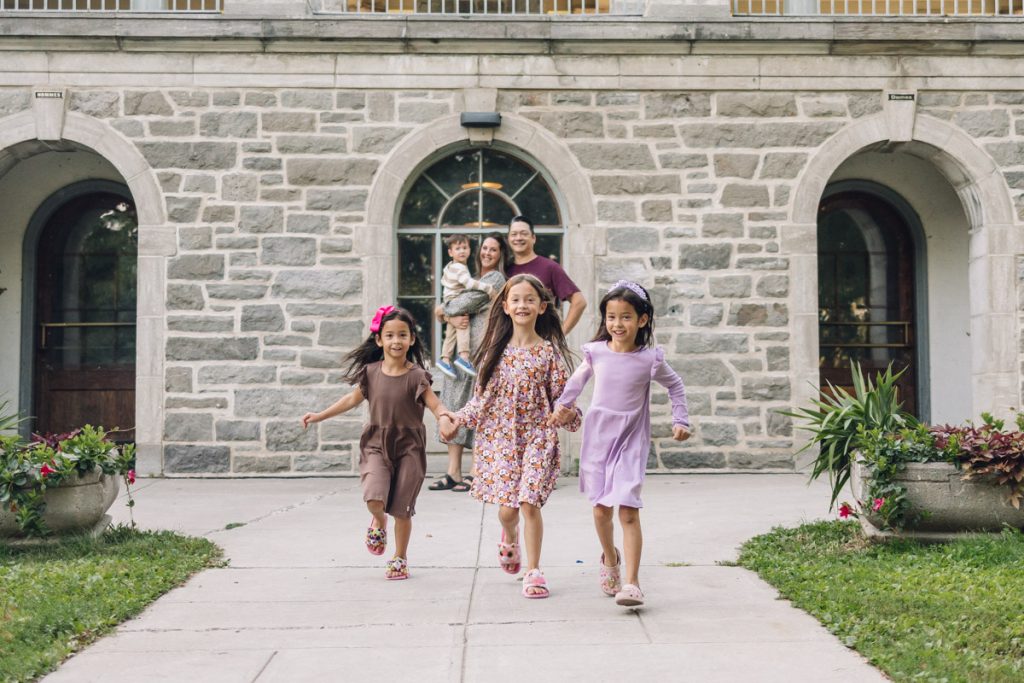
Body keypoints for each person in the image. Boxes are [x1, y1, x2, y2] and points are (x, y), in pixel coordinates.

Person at [549, 280, 691, 608]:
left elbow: (676, 386)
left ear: (642, 320)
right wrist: (563, 406)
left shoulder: (650, 359)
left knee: (628, 512)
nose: (617, 324)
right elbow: (577, 381)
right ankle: (610, 559)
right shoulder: (596, 352)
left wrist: (680, 420)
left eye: (626, 317)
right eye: (611, 317)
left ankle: (632, 582)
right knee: (600, 511)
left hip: (631, 440)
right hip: (599, 438)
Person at [439, 274, 580, 599]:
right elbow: (479, 403)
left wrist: (569, 415)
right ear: (504, 306)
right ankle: (509, 534)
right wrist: (457, 419)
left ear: (542, 307)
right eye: (515, 299)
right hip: (501, 443)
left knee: (529, 502)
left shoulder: (549, 355)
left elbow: (565, 402)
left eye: (529, 299)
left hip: (537, 440)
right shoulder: (493, 354)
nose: (522, 305)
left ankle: (534, 571)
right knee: (508, 511)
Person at [301, 306, 449, 581]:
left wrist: (444, 417)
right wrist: (320, 415)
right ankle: (378, 520)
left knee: (402, 508)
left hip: (409, 448)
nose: (396, 341)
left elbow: (435, 404)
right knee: (373, 496)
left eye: (402, 335)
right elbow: (350, 400)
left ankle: (399, 558)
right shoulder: (370, 373)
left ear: (412, 340)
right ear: (379, 340)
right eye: (390, 335)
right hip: (376, 444)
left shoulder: (417, 376)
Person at [429, 233, 509, 493]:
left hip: (481, 357)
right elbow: (449, 310)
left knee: (477, 412)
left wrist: (445, 311)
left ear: (500, 255)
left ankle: (477, 471)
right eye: (484, 248)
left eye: (493, 250)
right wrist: (447, 315)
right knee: (453, 408)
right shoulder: (469, 278)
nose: (487, 253)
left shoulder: (495, 279)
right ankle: (453, 472)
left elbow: (458, 304)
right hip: (460, 358)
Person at [506, 215, 587, 335]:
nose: (518, 238)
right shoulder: (505, 269)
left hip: (542, 341)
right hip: (511, 342)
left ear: (533, 238)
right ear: (508, 239)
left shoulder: (549, 267)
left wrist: (560, 334)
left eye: (523, 233)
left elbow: (579, 302)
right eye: (514, 234)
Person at [436, 233, 496, 379]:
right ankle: (463, 356)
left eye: (465, 247)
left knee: (451, 332)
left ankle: (445, 359)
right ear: (450, 252)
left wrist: (445, 314)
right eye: (458, 248)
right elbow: (469, 284)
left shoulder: (451, 266)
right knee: (463, 324)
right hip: (455, 300)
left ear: (470, 250)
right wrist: (488, 289)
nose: (462, 251)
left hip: (450, 300)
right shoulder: (460, 268)